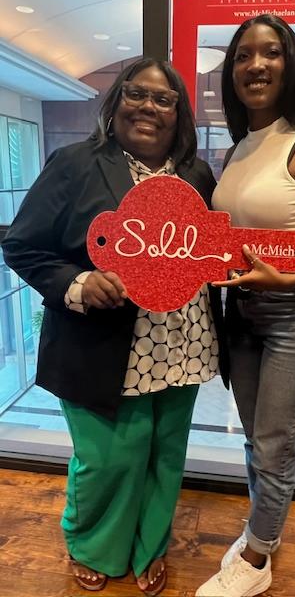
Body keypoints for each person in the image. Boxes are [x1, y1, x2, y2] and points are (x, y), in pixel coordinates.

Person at [2, 57, 227, 595]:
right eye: (136, 93)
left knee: (165, 453)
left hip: (184, 340)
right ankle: (92, 545)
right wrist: (78, 283)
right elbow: (22, 244)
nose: (149, 106)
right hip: (101, 345)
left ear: (179, 113)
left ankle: (150, 546)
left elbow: (210, 250)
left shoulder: (196, 174)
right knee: (108, 459)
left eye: (164, 99)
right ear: (116, 101)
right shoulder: (75, 164)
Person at [196, 14, 295, 597]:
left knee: (274, 442)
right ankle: (262, 528)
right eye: (242, 56)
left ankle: (258, 557)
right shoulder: (239, 147)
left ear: (290, 65)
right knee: (255, 437)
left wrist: (290, 278)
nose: (255, 65)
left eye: (270, 53)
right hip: (239, 314)